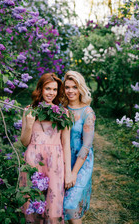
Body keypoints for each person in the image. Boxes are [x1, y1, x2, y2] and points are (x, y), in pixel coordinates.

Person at [20, 73, 72, 224]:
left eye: (54, 89)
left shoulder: (63, 113)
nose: (51, 93)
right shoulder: (30, 110)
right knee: (32, 202)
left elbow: (66, 144)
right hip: (33, 161)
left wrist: (68, 173)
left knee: (54, 205)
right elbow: (24, 142)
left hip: (55, 162)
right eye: (47, 88)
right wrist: (29, 124)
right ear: (40, 89)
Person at [63, 70, 96, 224]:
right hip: (62, 157)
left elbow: (86, 146)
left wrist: (74, 173)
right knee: (61, 202)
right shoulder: (60, 109)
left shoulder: (87, 112)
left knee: (70, 204)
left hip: (81, 162)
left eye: (74, 87)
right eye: (67, 87)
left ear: (80, 88)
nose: (70, 91)